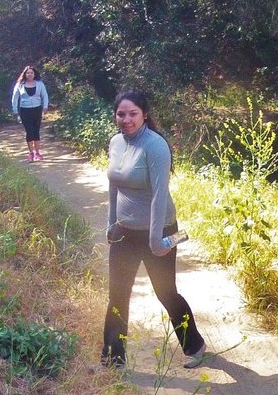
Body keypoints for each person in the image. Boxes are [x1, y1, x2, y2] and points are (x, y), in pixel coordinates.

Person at [101, 90, 206, 369]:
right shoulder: (115, 142)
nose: (126, 119)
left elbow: (160, 195)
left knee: (165, 292)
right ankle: (113, 357)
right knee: (117, 293)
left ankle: (194, 345)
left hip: (159, 230)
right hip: (125, 231)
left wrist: (156, 240)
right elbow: (114, 183)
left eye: (132, 113)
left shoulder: (155, 146)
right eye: (121, 114)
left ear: (144, 114)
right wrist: (111, 222)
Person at [11, 65, 49, 162]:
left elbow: (45, 95)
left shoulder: (40, 84)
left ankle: (37, 152)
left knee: (36, 130)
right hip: (25, 110)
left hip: (37, 109)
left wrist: (45, 106)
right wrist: (15, 110)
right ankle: (31, 153)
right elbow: (15, 98)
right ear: (25, 74)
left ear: (34, 74)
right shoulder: (20, 84)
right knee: (29, 131)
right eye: (28, 72)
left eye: (31, 72)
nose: (30, 74)